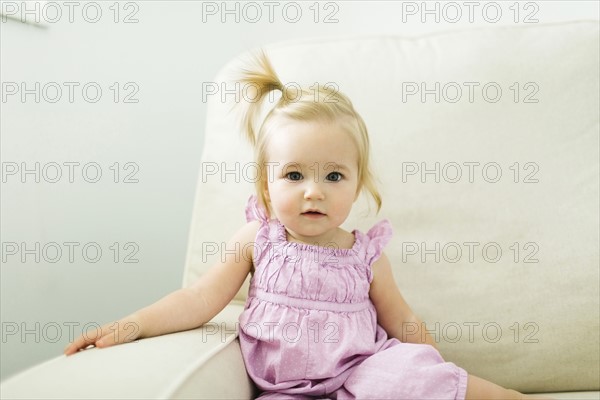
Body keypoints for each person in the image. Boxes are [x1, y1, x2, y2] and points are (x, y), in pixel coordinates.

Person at [65, 50, 551, 400]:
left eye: (333, 175)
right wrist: (131, 326)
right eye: (294, 175)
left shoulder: (364, 253)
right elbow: (197, 300)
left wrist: (439, 369)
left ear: (357, 184)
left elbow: (403, 322)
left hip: (364, 373)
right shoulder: (258, 239)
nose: (313, 191)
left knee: (414, 375)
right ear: (266, 184)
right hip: (285, 389)